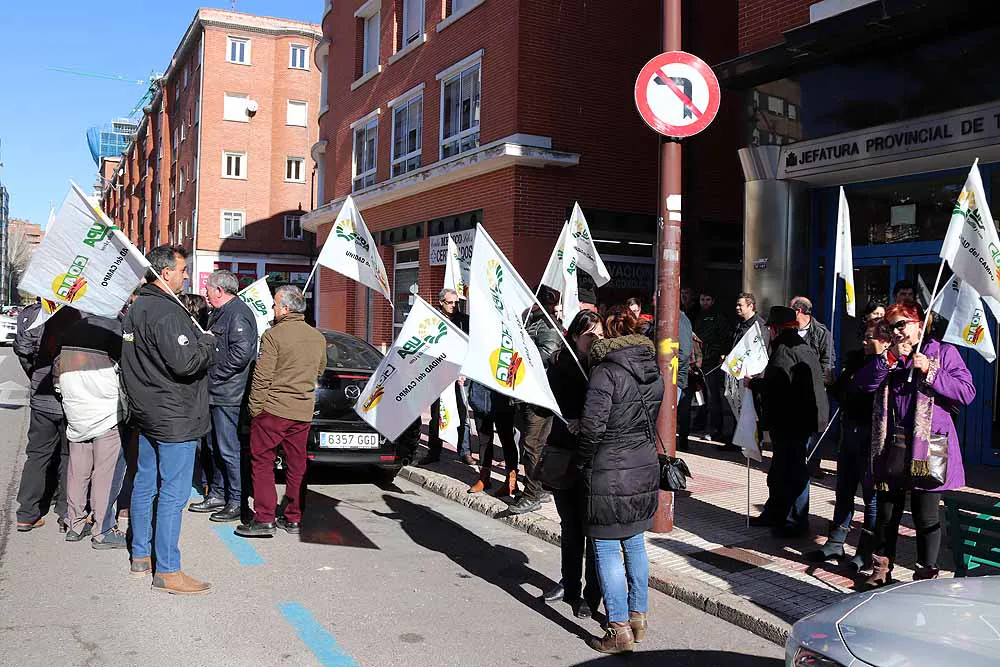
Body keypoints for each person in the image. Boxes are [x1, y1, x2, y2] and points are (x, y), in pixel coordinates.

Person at [855, 303, 974, 588]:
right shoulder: (889, 356)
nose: (895, 331)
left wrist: (931, 369)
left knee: (925, 516)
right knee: (886, 513)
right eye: (890, 326)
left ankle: (925, 575)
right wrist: (889, 359)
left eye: (901, 324)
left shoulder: (943, 352)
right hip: (891, 445)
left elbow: (966, 392)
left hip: (927, 448)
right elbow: (863, 385)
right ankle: (881, 569)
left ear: (919, 324)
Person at [122, 245, 216, 594]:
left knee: (145, 484)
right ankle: (168, 569)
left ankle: (141, 555)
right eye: (182, 270)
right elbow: (185, 363)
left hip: (148, 411)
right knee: (174, 494)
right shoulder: (165, 311)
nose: (187, 275)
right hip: (173, 415)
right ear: (165, 273)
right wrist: (207, 345)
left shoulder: (138, 308)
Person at [578, 308, 661, 654]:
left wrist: (582, 461)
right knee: (635, 542)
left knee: (608, 546)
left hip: (610, 469)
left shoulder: (605, 373)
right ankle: (638, 617)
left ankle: (618, 629)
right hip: (643, 465)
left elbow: (592, 427)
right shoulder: (652, 369)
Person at [237, 286, 326, 538]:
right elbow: (319, 369)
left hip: (274, 409)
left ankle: (264, 517)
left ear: (285, 308)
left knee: (263, 462)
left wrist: (255, 408)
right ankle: (293, 517)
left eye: (275, 305)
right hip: (302, 410)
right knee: (296, 465)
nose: (273, 309)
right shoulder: (317, 336)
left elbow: (261, 376)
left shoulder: (273, 335)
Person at [806, 318, 887, 569]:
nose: (865, 342)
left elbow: (866, 390)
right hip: (849, 433)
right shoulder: (856, 360)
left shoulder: (886, 365)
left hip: (872, 439)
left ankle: (865, 551)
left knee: (871, 499)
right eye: (864, 336)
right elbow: (844, 393)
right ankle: (835, 543)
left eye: (870, 337)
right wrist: (833, 382)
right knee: (843, 491)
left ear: (885, 341)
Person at [540, 311, 603, 619]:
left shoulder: (605, 366)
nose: (595, 341)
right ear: (575, 336)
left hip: (595, 460)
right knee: (570, 527)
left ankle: (592, 595)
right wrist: (568, 422)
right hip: (565, 454)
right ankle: (569, 583)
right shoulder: (559, 364)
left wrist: (589, 424)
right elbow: (544, 405)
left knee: (592, 529)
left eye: (600, 335)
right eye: (590, 335)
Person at [750, 306, 829, 538]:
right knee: (780, 470)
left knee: (793, 471)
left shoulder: (784, 350)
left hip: (792, 421)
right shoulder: (800, 347)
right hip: (800, 419)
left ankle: (795, 520)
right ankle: (775, 512)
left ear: (775, 329)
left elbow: (779, 387)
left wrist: (754, 384)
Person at [54, 313, 128, 548]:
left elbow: (58, 367)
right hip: (105, 411)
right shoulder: (114, 329)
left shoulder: (72, 328)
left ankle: (74, 524)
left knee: (78, 468)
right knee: (105, 473)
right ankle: (102, 530)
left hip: (76, 409)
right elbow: (126, 368)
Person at [189, 271, 258, 523]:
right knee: (212, 446)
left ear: (219, 291)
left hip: (228, 394)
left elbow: (241, 355)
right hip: (215, 392)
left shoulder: (237, 313)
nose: (205, 292)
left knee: (228, 449)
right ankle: (217, 493)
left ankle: (236, 500)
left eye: (208, 288)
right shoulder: (220, 312)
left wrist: (214, 375)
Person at [14, 301, 80, 532]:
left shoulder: (35, 313)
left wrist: (35, 373)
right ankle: (65, 511)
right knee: (69, 454)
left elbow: (22, 349)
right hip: (70, 392)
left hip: (42, 393)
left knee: (37, 454)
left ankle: (26, 512)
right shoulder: (79, 313)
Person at [509, 286, 563, 514]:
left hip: (539, 395)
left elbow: (547, 355)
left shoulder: (548, 325)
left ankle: (532, 494)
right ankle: (536, 487)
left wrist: (522, 353)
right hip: (527, 393)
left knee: (532, 444)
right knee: (532, 444)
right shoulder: (532, 321)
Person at [420, 288, 473, 466]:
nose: (454, 306)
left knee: (463, 413)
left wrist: (465, 371)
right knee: (438, 414)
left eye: (456, 302)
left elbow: (471, 347)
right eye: (450, 302)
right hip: (438, 374)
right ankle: (434, 451)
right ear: (441, 302)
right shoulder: (433, 320)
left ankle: (464, 451)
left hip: (461, 375)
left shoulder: (465, 321)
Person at [465, 381, 520, 497]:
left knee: (507, 441)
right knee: (484, 440)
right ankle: (484, 478)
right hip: (480, 397)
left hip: (503, 396)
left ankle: (511, 482)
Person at [693, 292, 731, 442]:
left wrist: (717, 355)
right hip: (700, 362)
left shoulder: (718, 318)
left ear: (713, 301)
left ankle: (715, 428)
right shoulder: (698, 316)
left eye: (708, 299)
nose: (705, 302)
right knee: (701, 397)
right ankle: (701, 425)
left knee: (713, 398)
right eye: (702, 299)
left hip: (712, 363)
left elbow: (722, 340)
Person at [789, 296, 835, 381]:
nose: (787, 312)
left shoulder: (822, 333)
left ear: (798, 311)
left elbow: (827, 361)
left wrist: (818, 384)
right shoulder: (788, 330)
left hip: (812, 384)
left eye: (790, 309)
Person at [676, 309, 694, 451]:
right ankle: (682, 442)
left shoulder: (680, 320)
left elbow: (685, 351)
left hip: (677, 375)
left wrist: (672, 369)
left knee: (681, 411)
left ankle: (682, 442)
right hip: (678, 373)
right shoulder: (680, 319)